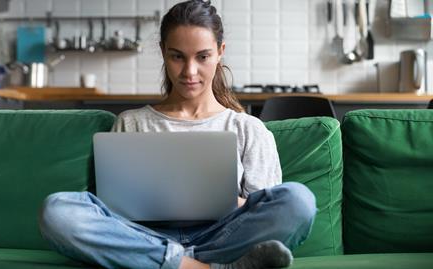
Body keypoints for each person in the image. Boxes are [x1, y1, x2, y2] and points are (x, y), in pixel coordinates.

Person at [39, 1, 316, 269]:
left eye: (203, 56)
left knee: (298, 200)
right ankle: (201, 267)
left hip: (222, 239)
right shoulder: (132, 123)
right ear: (163, 52)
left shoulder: (248, 128)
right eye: (177, 56)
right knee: (58, 210)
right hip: (144, 238)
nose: (189, 71)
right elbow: (112, 211)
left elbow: (260, 211)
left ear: (220, 52)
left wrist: (219, 199)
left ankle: (167, 263)